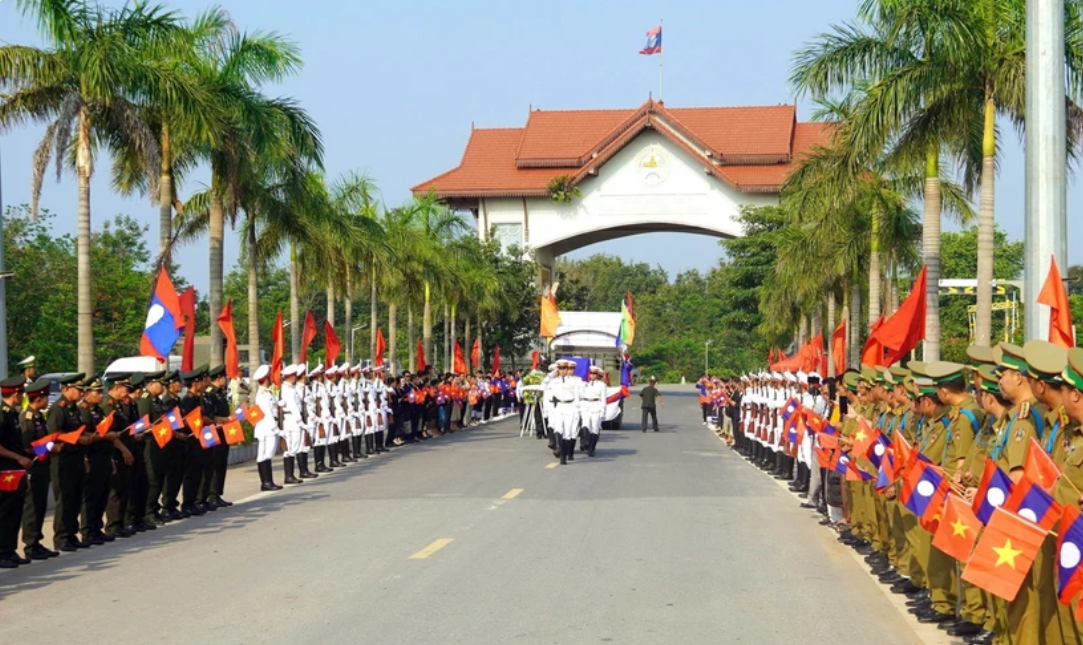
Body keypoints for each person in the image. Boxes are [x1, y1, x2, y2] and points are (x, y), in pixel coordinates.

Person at [20, 378, 57, 560]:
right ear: (39, 398)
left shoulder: (38, 416)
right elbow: (27, 447)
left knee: (40, 506)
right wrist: (47, 447)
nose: (47, 400)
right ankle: (30, 544)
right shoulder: (27, 417)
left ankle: (36, 541)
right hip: (33, 467)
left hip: (43, 466)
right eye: (46, 397)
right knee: (32, 507)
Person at [0, 376, 30, 568]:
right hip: (6, 470)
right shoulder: (2, 416)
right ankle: (2, 552)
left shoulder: (12, 413)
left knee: (15, 511)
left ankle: (10, 550)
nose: (23, 396)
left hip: (16, 470)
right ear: (16, 393)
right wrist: (18, 458)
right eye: (22, 393)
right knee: (5, 511)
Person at [252, 365, 283, 491]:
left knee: (268, 454)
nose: (271, 378)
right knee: (263, 455)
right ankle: (265, 482)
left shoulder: (268, 392)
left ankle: (269, 481)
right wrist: (276, 429)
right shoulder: (262, 394)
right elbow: (267, 413)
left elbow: (274, 407)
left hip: (270, 427)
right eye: (269, 376)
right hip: (266, 429)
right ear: (265, 378)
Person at [579, 366, 607, 457]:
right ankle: (585, 442)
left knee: (594, 428)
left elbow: (603, 399)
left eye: (594, 374)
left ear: (597, 375)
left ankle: (592, 448)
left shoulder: (601, 385)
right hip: (586, 405)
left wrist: (603, 411)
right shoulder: (584, 384)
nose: (593, 376)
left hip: (596, 406)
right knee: (585, 425)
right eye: (591, 374)